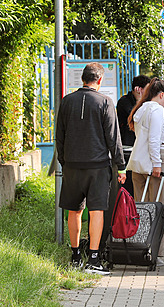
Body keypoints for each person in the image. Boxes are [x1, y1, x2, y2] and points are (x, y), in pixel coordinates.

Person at [56, 62, 126, 275]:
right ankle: (93, 259)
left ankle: (75, 254)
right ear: (100, 80)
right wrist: (121, 166)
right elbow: (113, 138)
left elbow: (60, 135)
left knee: (74, 210)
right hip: (98, 166)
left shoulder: (67, 101)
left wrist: (64, 161)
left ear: (82, 79)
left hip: (72, 165)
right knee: (96, 210)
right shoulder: (105, 102)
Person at [126, 78, 164, 267]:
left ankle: (138, 245)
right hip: (155, 159)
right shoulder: (157, 110)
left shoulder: (141, 108)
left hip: (138, 161)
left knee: (141, 207)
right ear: (161, 94)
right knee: (160, 207)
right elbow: (155, 140)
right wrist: (157, 165)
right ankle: (155, 251)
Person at [116, 75, 151, 196]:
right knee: (128, 183)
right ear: (138, 89)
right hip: (127, 146)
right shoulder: (124, 101)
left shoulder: (146, 102)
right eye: (147, 88)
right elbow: (135, 117)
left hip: (139, 146)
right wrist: (140, 100)